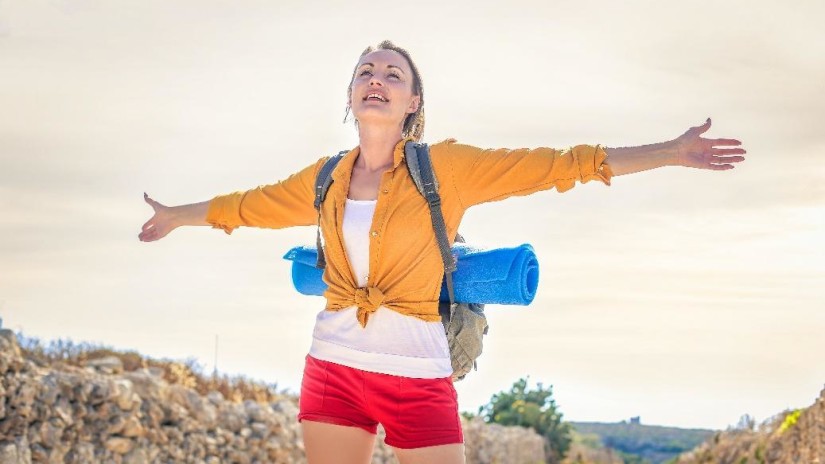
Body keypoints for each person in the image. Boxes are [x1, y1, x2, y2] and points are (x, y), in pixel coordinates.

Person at [138, 40, 746, 464]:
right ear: (350, 96)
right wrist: (175, 216)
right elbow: (245, 206)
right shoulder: (323, 179)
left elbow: (561, 167)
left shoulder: (447, 169)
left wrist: (668, 150)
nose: (376, 78)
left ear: (412, 105)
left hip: (416, 375)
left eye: (393, 74)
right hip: (332, 370)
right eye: (365, 71)